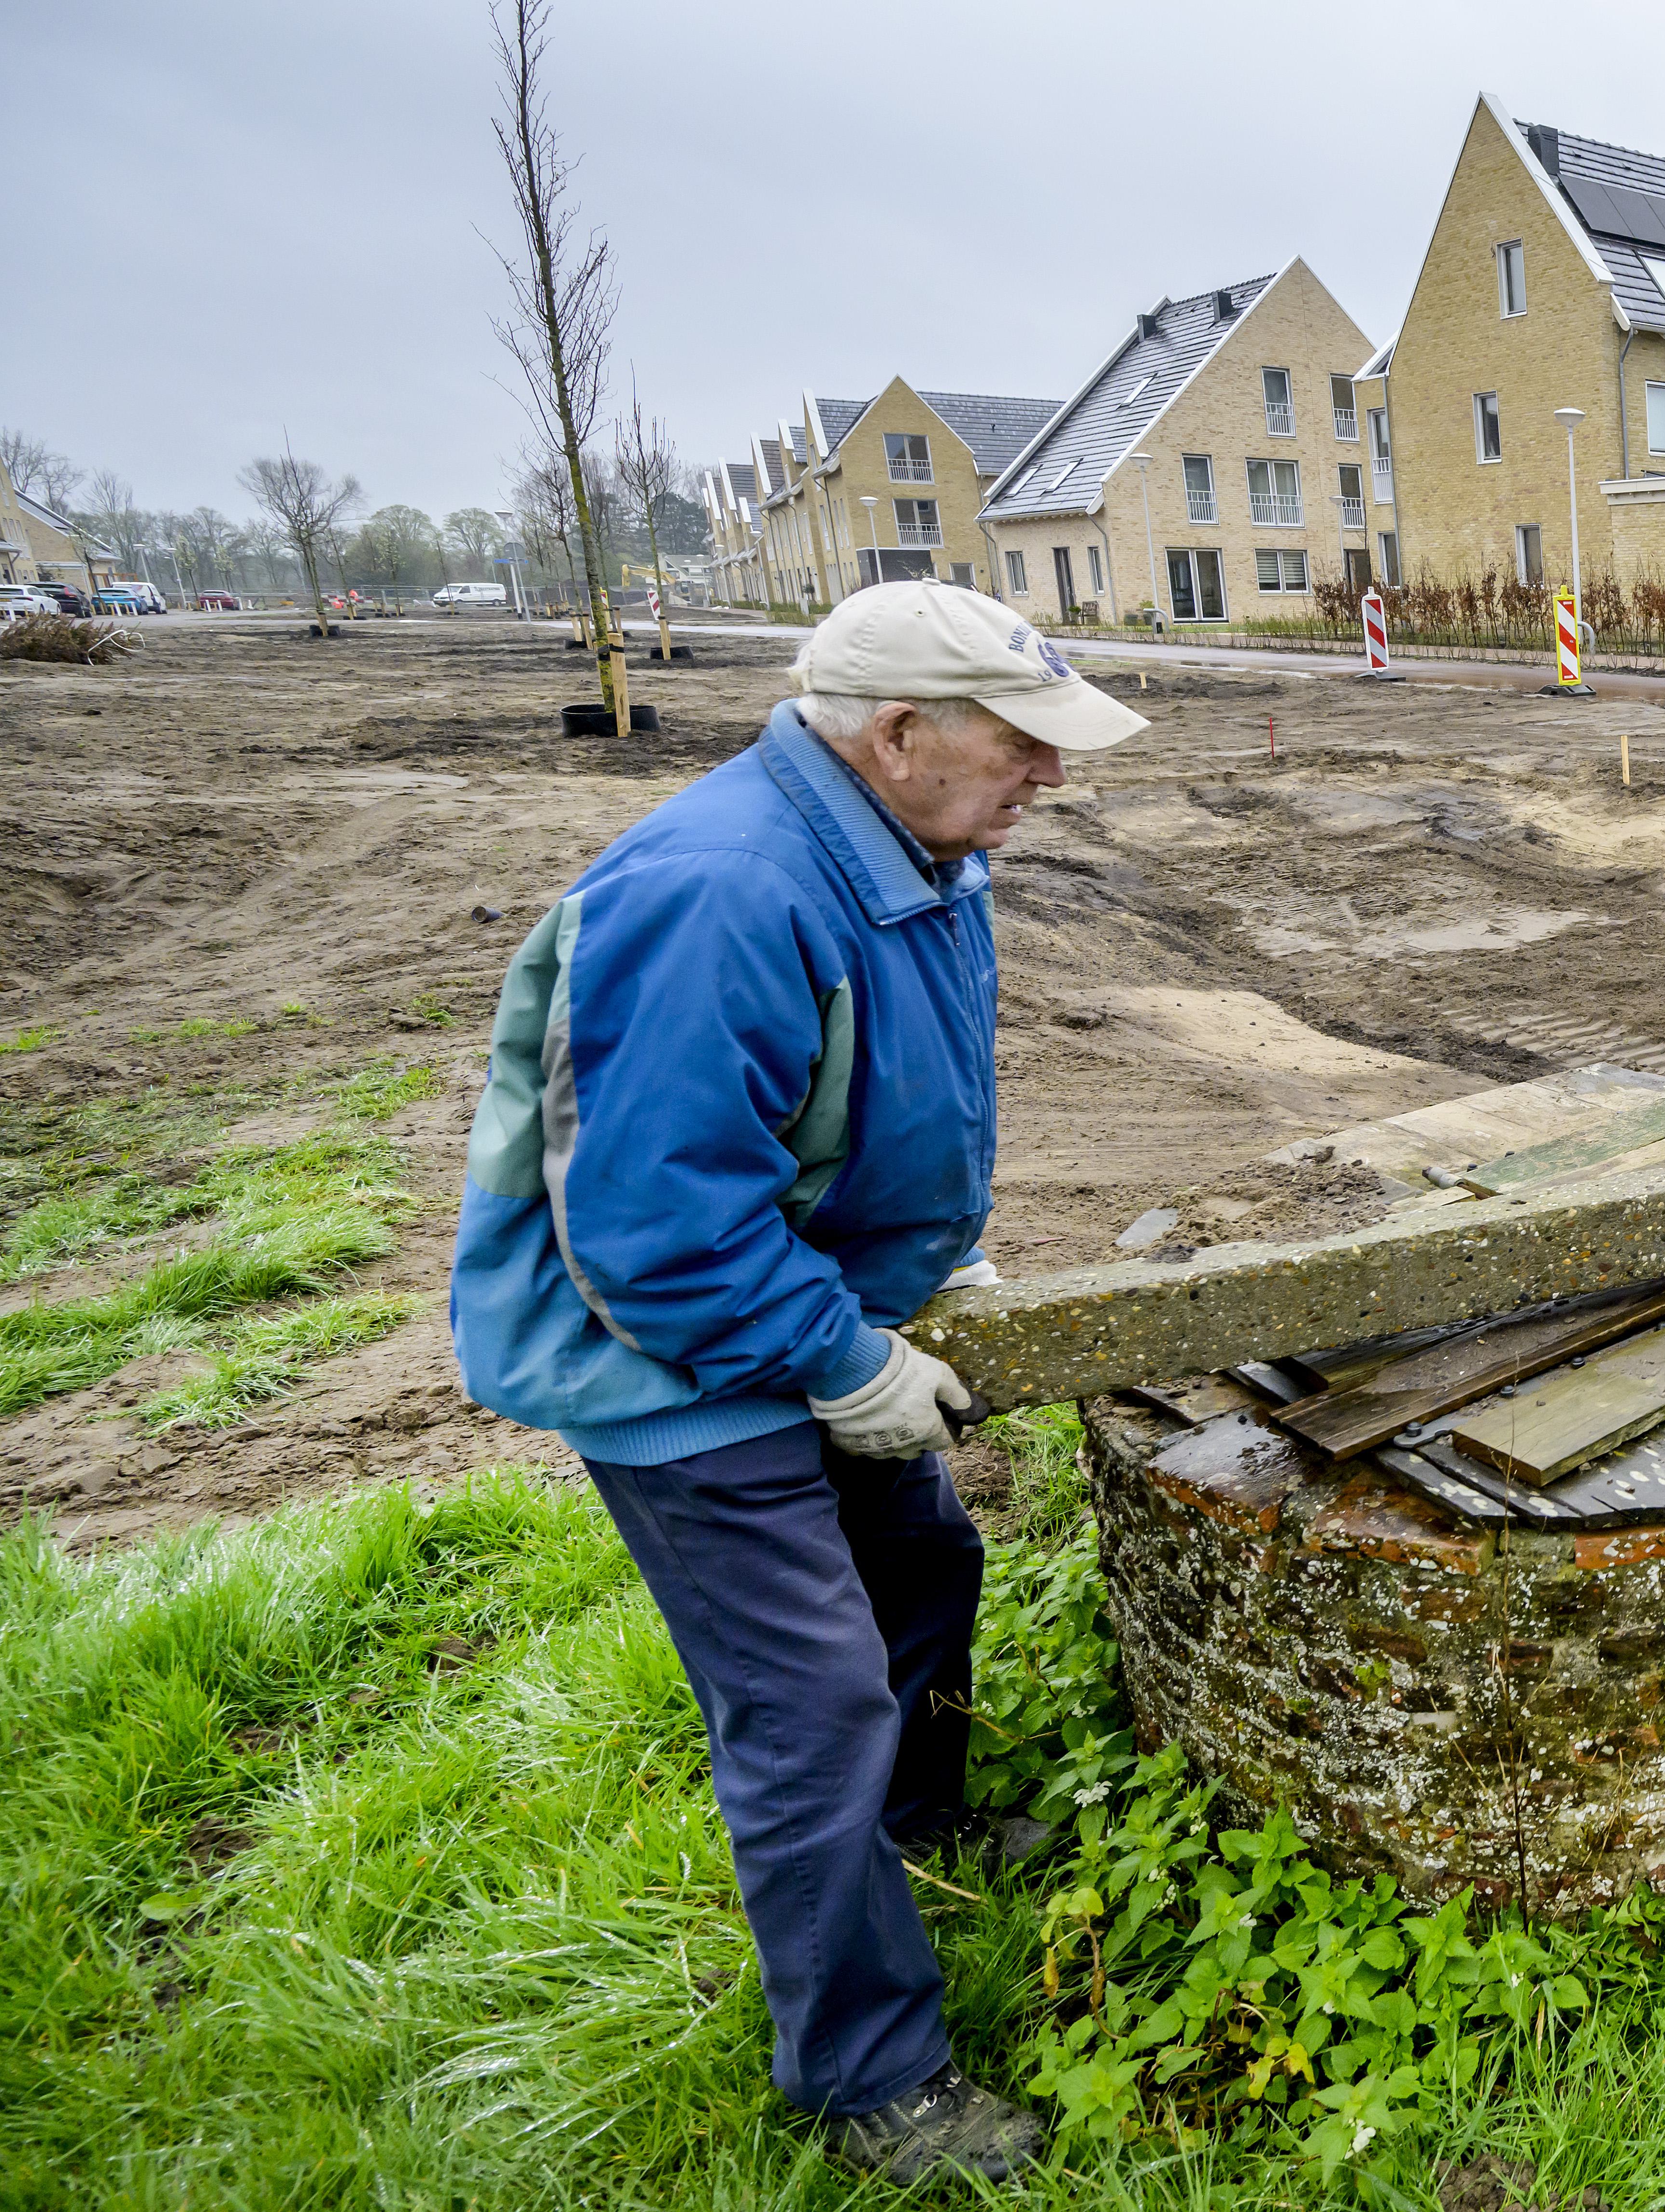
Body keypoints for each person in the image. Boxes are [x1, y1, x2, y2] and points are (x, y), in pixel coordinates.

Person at [448, 581, 1145, 2182]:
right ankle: (868, 2076)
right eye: (1022, 744)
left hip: (809, 1291)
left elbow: (877, 1100)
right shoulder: (719, 895)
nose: (1050, 775)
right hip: (662, 1350)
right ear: (897, 734)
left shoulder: (922, 851)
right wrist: (838, 1358)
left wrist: (921, 1268)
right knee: (808, 1700)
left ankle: (920, 1826)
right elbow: (647, 1225)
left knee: (924, 1560)